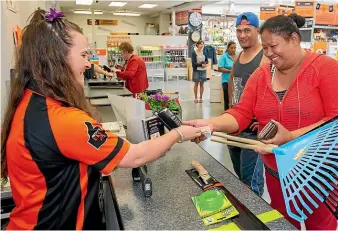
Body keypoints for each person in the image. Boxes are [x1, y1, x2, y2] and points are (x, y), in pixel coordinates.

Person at [1, 8, 202, 230]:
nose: (88, 64)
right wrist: (178, 133)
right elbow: (135, 157)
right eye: (84, 55)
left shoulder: (31, 100)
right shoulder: (63, 120)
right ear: (57, 58)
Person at [185, 13, 338, 230]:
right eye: (264, 48)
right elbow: (241, 113)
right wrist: (211, 124)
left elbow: (334, 120)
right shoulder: (262, 74)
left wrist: (291, 137)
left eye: (273, 46)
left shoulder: (325, 68)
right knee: (282, 222)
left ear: (294, 39)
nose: (268, 54)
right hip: (276, 172)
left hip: (318, 172)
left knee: (321, 224)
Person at [228, 12, 267, 196]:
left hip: (253, 131)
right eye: (239, 30)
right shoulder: (238, 56)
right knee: (241, 177)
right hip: (235, 126)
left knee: (251, 182)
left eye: (247, 30)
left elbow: (275, 90)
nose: (242, 35)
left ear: (257, 30)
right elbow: (231, 83)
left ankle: (256, 221)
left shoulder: (265, 57)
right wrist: (228, 111)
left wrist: (264, 119)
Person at [218, 41, 236, 110]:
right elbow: (219, 68)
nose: (233, 49)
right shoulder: (224, 57)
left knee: (235, 98)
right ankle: (226, 112)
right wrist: (230, 71)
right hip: (226, 80)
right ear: (228, 48)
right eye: (231, 48)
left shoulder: (237, 56)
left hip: (235, 80)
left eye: (234, 48)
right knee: (227, 98)